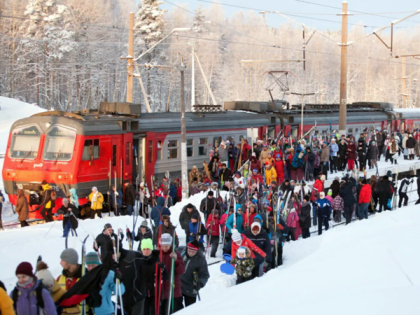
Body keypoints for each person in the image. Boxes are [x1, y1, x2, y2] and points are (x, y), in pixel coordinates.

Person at [160, 234, 185, 314]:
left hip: (173, 289)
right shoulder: (157, 254)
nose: (164, 248)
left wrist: (176, 261)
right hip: (161, 290)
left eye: (166, 246)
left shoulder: (176, 254)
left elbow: (181, 271)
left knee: (174, 311)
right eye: (163, 246)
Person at [180, 240, 210, 307]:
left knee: (189, 309)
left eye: (193, 252)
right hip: (179, 285)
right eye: (189, 251)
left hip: (191, 288)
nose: (191, 253)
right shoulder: (182, 253)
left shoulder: (201, 259)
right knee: (177, 308)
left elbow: (205, 275)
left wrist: (200, 283)